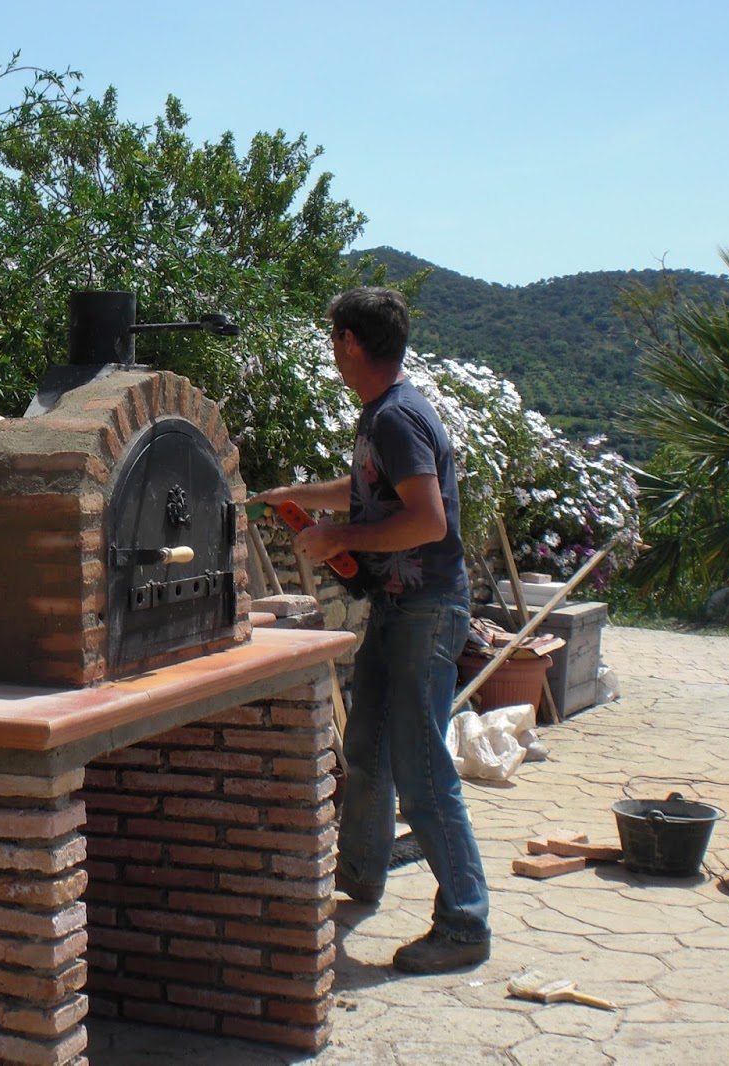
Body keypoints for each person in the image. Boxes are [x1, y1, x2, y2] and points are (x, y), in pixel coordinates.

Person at [250, 286, 490, 974]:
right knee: (369, 748)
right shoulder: (384, 415)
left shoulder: (396, 418)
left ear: (352, 342)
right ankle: (360, 875)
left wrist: (339, 538)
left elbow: (428, 521)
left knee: (419, 764)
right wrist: (294, 498)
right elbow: (368, 493)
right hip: (398, 607)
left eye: (335, 340)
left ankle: (465, 923)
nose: (333, 352)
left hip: (426, 610)